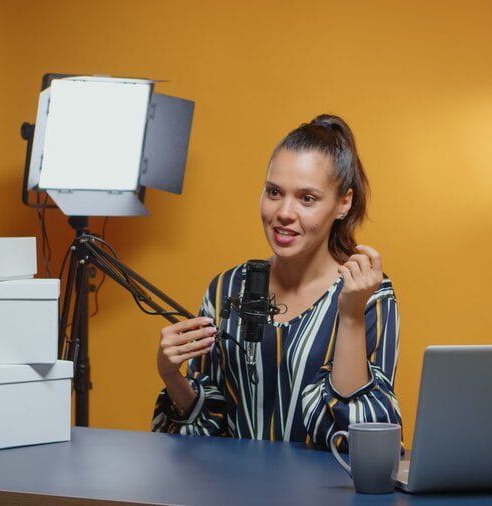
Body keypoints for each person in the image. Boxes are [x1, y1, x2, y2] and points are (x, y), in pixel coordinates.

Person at [152, 114, 401, 449]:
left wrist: (351, 316)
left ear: (344, 202)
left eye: (307, 198)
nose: (284, 212)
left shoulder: (370, 293)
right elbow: (209, 422)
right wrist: (171, 374)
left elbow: (360, 436)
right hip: (229, 480)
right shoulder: (226, 288)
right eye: (274, 192)